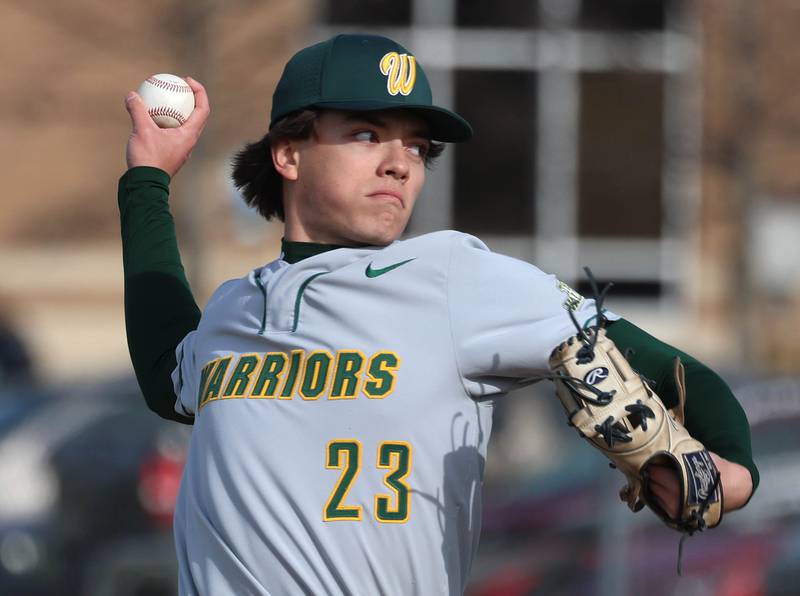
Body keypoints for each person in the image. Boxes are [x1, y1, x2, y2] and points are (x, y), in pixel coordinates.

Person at [120, 34, 758, 595]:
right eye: (366, 134)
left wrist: (736, 473)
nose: (400, 162)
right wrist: (148, 177)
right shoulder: (235, 307)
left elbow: (680, 374)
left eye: (418, 146)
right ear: (288, 154)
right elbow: (163, 373)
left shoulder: (456, 280)